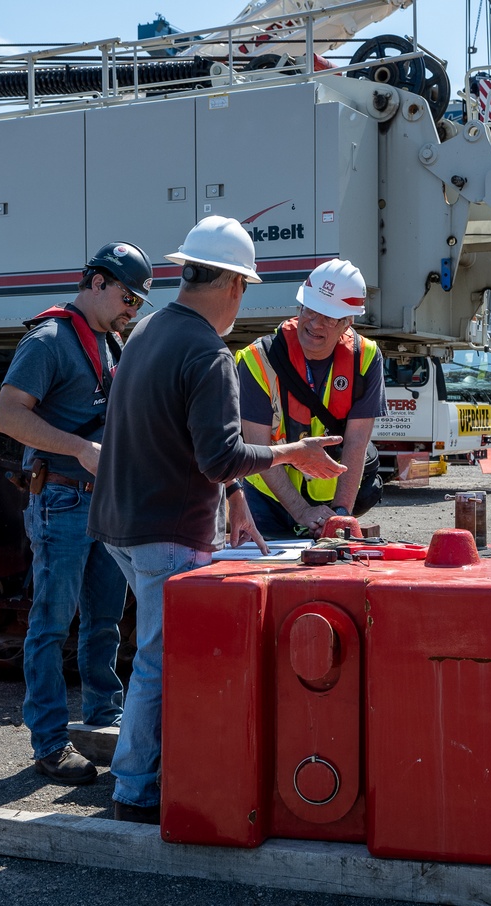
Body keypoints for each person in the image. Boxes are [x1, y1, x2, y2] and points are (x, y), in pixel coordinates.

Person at [87, 216, 346, 824]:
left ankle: (144, 770)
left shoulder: (148, 331)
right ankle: (134, 791)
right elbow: (222, 454)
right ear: (234, 285)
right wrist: (294, 451)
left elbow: (179, 438)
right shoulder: (208, 352)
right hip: (165, 531)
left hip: (119, 524)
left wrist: (232, 498)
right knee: (159, 658)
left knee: (152, 652)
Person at [0, 241, 154, 784]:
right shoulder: (49, 341)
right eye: (129, 297)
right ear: (98, 282)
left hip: (99, 502)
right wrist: (80, 448)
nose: (132, 309)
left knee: (105, 620)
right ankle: (49, 743)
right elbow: (8, 417)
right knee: (51, 624)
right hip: (62, 498)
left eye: (138, 302)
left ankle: (103, 722)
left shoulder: (106, 340)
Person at [235, 258, 386, 539]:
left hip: (329, 502)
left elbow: (356, 442)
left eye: (329, 317)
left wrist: (340, 514)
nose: (315, 324)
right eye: (310, 310)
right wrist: (302, 512)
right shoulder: (258, 360)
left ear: (347, 322)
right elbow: (257, 446)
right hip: (265, 499)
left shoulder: (365, 358)